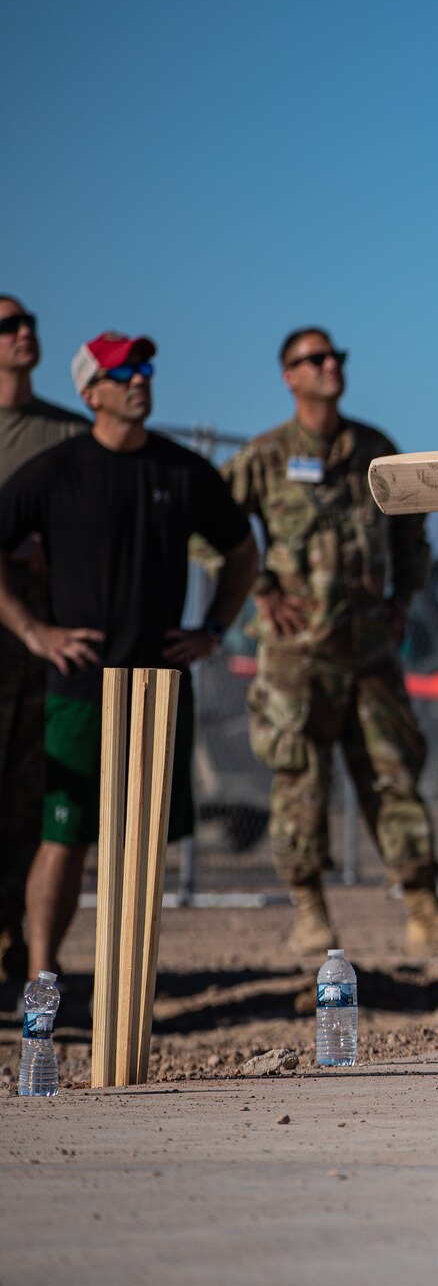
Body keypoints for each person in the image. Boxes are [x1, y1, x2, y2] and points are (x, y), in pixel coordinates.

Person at [0, 332, 259, 980]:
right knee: (64, 834)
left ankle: (125, 980)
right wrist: (35, 632)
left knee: (138, 845)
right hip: (82, 685)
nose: (140, 379)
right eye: (122, 372)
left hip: (159, 684)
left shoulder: (181, 470)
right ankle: (42, 978)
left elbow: (241, 551)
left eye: (144, 367)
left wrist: (213, 629)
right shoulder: (58, 471)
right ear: (91, 393)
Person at [220, 327, 438, 959]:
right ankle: (309, 913)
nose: (329, 365)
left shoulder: (374, 452)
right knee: (300, 781)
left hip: (370, 652)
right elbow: (212, 529)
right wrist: (259, 591)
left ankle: (425, 911)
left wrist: (401, 601)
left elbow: (412, 534)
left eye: (335, 356)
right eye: (314, 359)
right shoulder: (264, 458)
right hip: (297, 657)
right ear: (289, 375)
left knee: (394, 776)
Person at [0, 297, 88, 999]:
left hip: (46, 648)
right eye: (7, 325)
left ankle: (29, 965)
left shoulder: (66, 433)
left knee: (41, 801)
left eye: (27, 322)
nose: (24, 332)